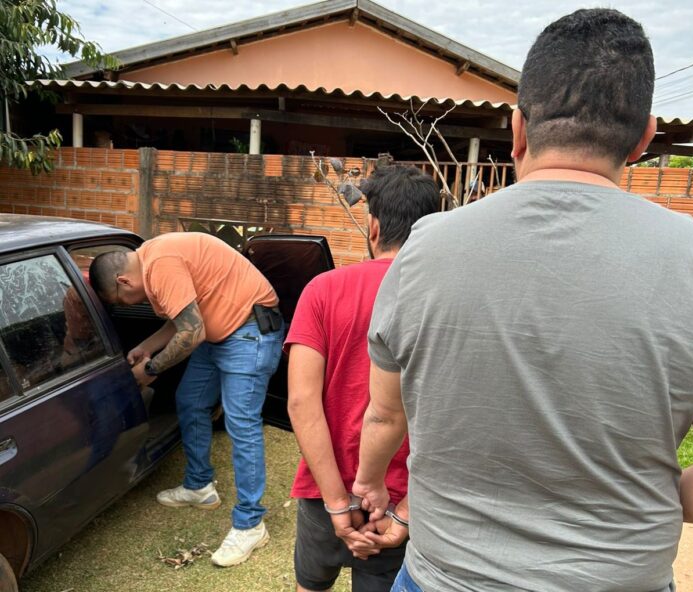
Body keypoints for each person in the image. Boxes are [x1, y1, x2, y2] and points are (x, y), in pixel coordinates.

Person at [353, 9, 693, 592]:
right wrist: (657, 492)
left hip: (445, 577)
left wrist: (370, 483)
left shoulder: (426, 249)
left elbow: (385, 413)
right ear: (643, 139)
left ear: (517, 129)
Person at [286, 165, 439, 592]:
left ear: (372, 227)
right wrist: (406, 511)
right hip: (399, 502)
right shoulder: (441, 300)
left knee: (310, 586)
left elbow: (301, 402)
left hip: (324, 488)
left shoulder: (322, 289)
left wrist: (336, 501)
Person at [89, 232, 283, 567]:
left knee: (242, 427)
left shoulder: (160, 264)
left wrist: (150, 368)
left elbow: (191, 333)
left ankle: (251, 524)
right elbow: (184, 319)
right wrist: (148, 345)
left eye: (121, 300)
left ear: (123, 280)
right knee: (190, 401)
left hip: (249, 332)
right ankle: (199, 486)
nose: (128, 305)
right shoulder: (150, 258)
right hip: (218, 332)